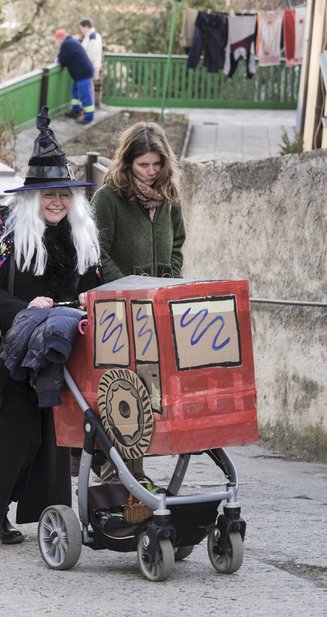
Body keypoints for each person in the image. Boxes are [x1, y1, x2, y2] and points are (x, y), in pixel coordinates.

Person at [0, 107, 102, 548]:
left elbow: (97, 283)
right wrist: (24, 307)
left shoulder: (80, 235)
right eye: (47, 195)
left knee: (49, 441)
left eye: (63, 195)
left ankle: (38, 516)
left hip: (59, 355)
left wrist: (89, 297)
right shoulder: (6, 230)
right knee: (9, 438)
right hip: (13, 353)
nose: (56, 202)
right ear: (31, 197)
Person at [91, 121, 186, 482]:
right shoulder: (109, 197)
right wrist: (126, 287)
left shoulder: (170, 196)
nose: (150, 171)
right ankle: (110, 464)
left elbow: (177, 242)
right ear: (127, 161)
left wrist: (170, 280)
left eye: (156, 164)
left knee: (148, 387)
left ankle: (136, 467)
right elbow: (97, 251)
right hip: (117, 309)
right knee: (119, 386)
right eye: (143, 164)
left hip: (157, 306)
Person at [56, 28, 95, 123]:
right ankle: (75, 110)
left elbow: (63, 60)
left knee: (85, 95)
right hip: (81, 73)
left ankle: (89, 117)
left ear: (60, 38)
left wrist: (58, 60)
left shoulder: (66, 44)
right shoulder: (72, 41)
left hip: (82, 73)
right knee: (75, 91)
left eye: (57, 40)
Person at [79, 18, 104, 108]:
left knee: (89, 88)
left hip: (91, 66)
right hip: (90, 66)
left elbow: (91, 54)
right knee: (90, 87)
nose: (81, 31)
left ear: (86, 27)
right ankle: (89, 105)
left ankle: (90, 106)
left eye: (81, 28)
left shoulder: (93, 37)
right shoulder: (89, 37)